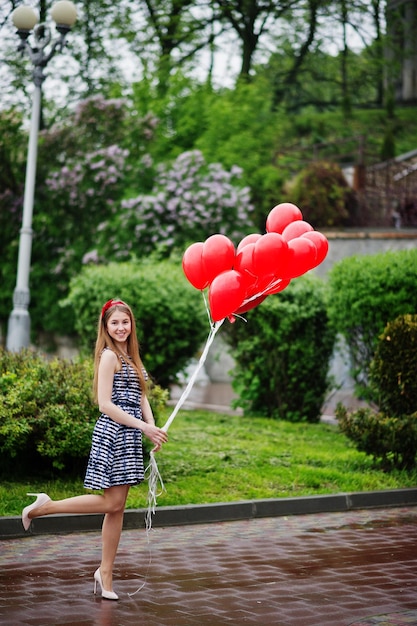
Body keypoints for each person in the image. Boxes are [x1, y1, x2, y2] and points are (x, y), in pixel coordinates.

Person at [21, 299, 168, 600]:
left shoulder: (133, 358)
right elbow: (105, 404)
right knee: (111, 504)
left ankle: (106, 573)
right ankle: (46, 507)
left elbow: (141, 397)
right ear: (105, 327)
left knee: (117, 508)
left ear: (131, 324)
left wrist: (153, 427)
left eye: (125, 322)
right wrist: (143, 427)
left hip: (131, 436)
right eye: (114, 323)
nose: (120, 327)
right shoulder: (109, 357)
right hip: (114, 433)